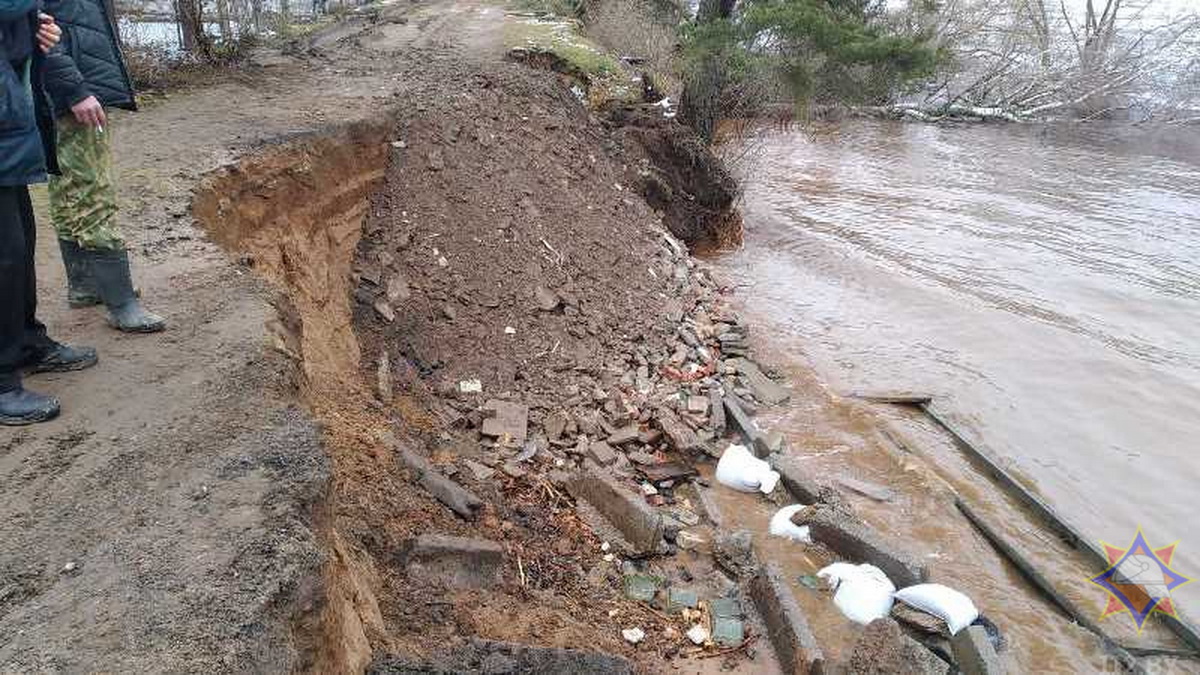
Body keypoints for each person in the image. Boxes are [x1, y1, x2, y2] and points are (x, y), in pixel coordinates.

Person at [2, 0, 98, 425]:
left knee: (18, 247)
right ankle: (2, 380)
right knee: (3, 255)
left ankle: (25, 343)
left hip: (9, 131)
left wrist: (37, 34)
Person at [41, 0, 164, 333]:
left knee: (66, 188)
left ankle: (85, 286)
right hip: (72, 93)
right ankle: (122, 304)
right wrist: (75, 90)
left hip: (65, 90)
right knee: (93, 190)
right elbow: (41, 33)